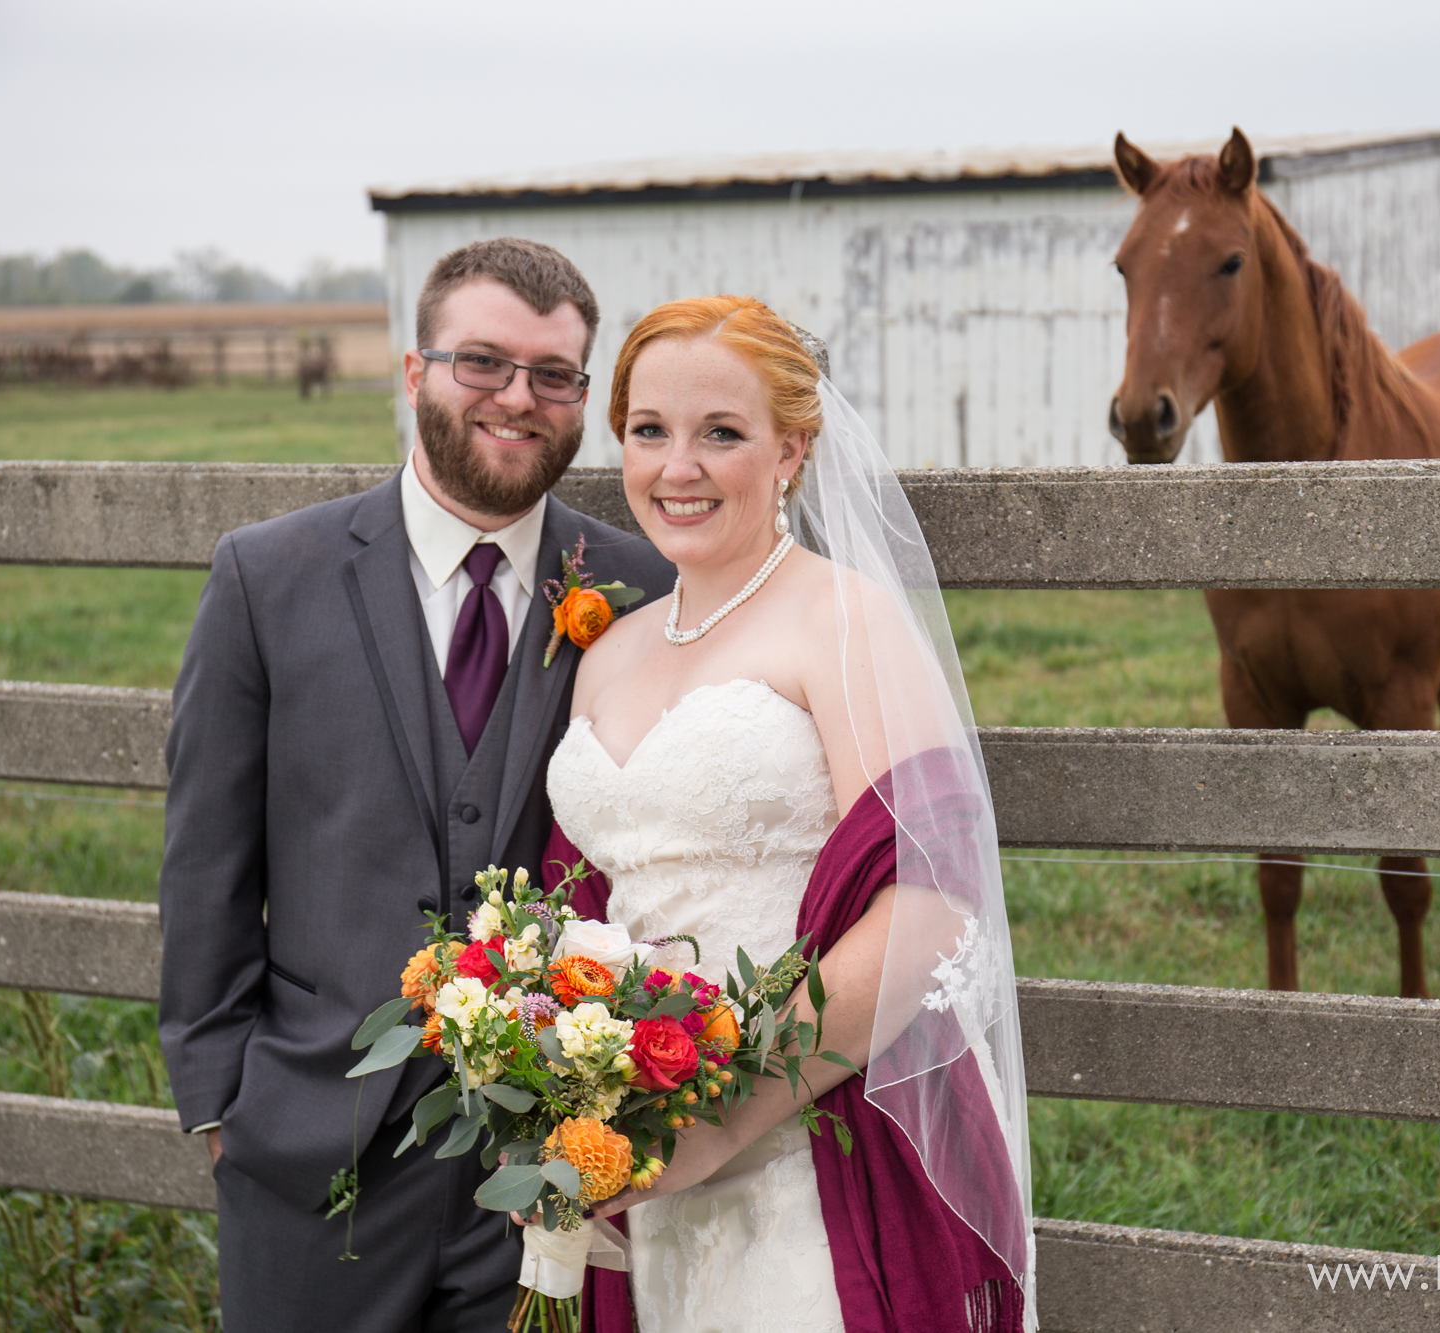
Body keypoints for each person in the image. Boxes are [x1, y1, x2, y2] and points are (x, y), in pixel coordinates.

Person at [157, 237, 674, 1331]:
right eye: (480, 362)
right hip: (308, 1152)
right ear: (413, 372)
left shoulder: (642, 586)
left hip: (549, 1170)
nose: (517, 399)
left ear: (583, 393)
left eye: (553, 374)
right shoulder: (267, 576)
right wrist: (220, 1102)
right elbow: (206, 858)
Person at [538, 297, 1035, 1332]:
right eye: (648, 431)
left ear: (792, 451)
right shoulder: (607, 652)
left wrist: (722, 1120)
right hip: (648, 1152)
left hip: (811, 1134)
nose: (679, 467)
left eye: (721, 433)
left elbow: (929, 907)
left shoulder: (839, 616)